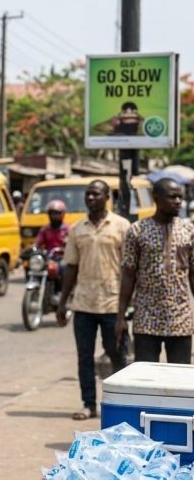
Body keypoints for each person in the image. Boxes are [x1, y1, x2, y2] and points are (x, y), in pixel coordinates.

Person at [56, 180, 130, 421]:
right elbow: (71, 268)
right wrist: (62, 302)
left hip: (112, 303)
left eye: (95, 194)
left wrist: (129, 307)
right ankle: (88, 404)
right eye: (88, 194)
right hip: (84, 304)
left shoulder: (121, 226)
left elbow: (130, 269)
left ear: (107, 196)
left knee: (117, 354)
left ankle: (121, 405)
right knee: (84, 357)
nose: (90, 198)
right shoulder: (78, 229)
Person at [116, 178, 194, 364]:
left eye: (180, 198)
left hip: (180, 319)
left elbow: (193, 274)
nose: (178, 202)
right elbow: (128, 276)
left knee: (180, 379)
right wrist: (121, 317)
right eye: (172, 197)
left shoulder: (189, 231)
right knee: (146, 379)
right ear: (157, 199)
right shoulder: (137, 231)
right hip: (146, 318)